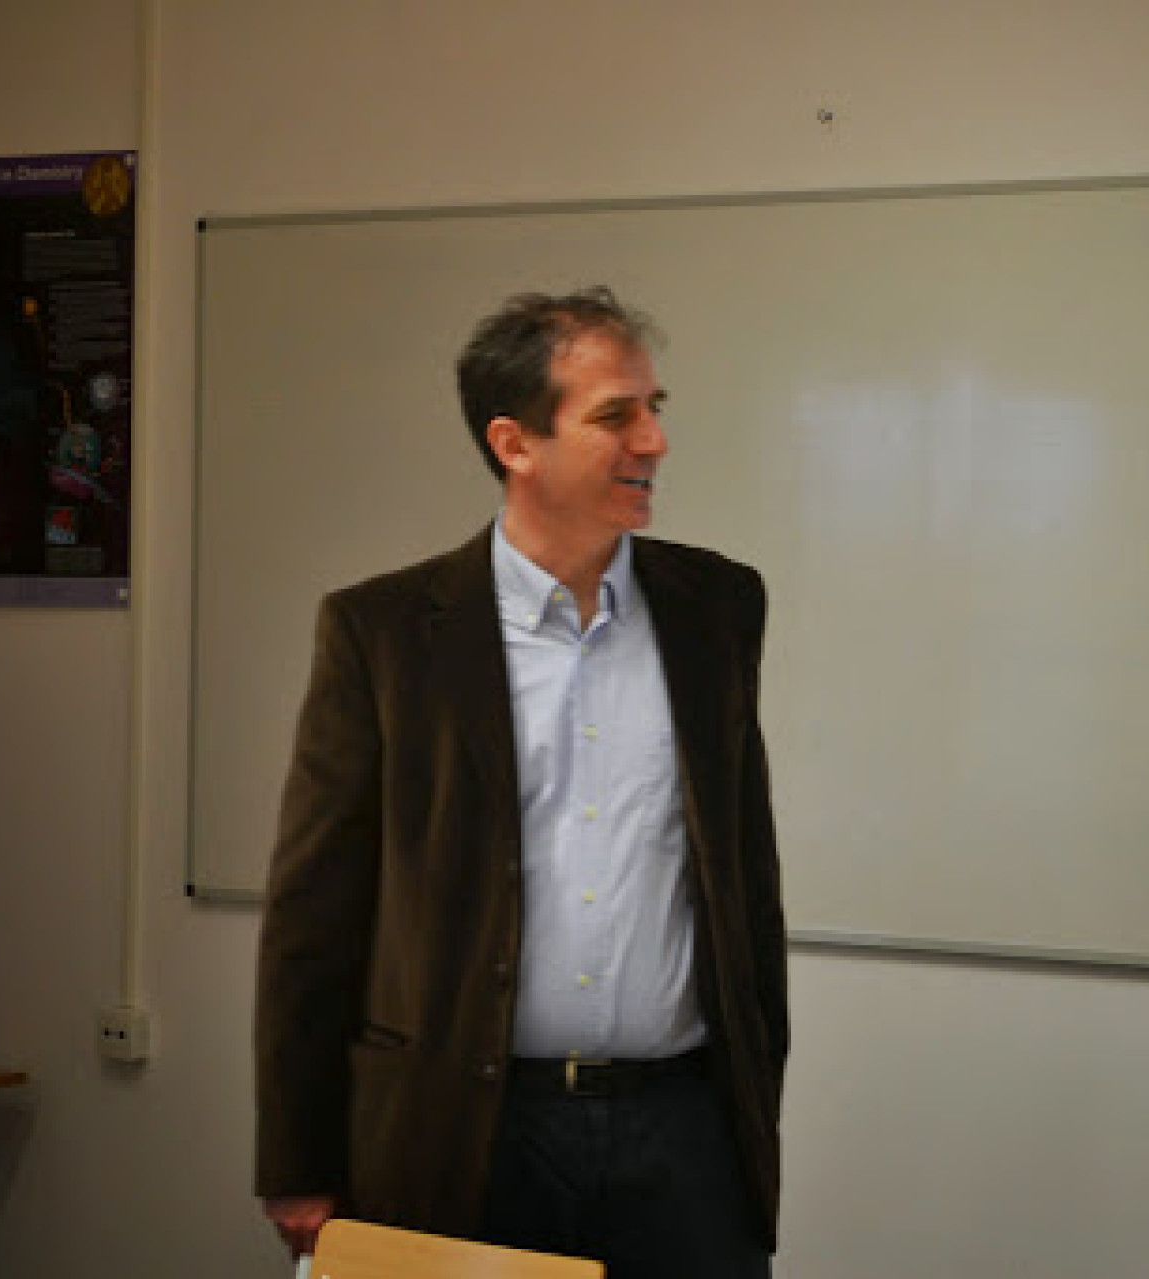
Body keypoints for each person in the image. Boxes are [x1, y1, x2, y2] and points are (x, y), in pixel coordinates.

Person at [253, 287, 787, 1278]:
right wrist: (297, 1159)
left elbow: (745, 875)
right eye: (615, 415)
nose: (654, 440)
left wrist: (754, 1101)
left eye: (655, 407)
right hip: (469, 1127)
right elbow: (313, 915)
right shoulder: (384, 633)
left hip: (683, 1130)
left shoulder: (715, 606)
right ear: (516, 443)